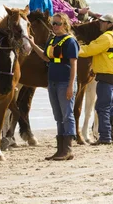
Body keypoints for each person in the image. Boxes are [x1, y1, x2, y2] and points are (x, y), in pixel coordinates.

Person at [27, 13, 78, 161]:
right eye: (53, 23)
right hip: (53, 82)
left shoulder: (70, 41)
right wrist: (32, 44)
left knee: (67, 115)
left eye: (58, 24)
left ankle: (68, 149)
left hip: (65, 82)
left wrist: (70, 86)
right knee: (58, 116)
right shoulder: (53, 39)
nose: (54, 26)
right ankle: (60, 149)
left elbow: (74, 64)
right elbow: (45, 57)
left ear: (65, 25)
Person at [78, 14, 113, 145]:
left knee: (102, 107)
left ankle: (106, 136)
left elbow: (88, 50)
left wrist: (72, 46)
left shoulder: (106, 38)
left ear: (110, 24)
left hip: (107, 76)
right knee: (108, 107)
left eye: (103, 22)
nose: (100, 24)